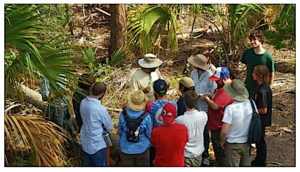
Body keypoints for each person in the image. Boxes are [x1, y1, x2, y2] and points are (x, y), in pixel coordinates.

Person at [188, 53, 217, 166]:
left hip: (205, 107)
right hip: (194, 105)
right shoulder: (193, 74)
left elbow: (214, 93)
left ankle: (205, 156)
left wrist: (205, 96)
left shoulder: (210, 76)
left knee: (204, 132)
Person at [220, 79, 256, 167]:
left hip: (233, 144)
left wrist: (222, 141)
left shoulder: (230, 108)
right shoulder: (252, 104)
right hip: (247, 142)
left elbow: (224, 131)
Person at [203, 67, 234, 167]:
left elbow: (216, 106)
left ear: (224, 79)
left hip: (219, 127)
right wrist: (212, 96)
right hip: (217, 125)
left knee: (221, 154)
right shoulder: (223, 88)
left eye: (217, 80)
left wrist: (207, 99)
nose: (215, 82)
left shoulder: (227, 90)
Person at [80, 82, 113, 167]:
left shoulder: (83, 102)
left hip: (85, 141)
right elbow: (109, 126)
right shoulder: (100, 109)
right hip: (98, 144)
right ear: (102, 94)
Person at [118, 90, 152, 167]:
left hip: (125, 149)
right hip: (142, 148)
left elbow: (120, 131)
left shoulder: (123, 115)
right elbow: (149, 133)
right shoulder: (146, 117)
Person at [175, 90, 207, 167]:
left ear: (184, 102)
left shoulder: (179, 120)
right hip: (198, 152)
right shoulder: (203, 115)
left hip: (186, 153)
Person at [241, 30, 275, 99]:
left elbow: (271, 73)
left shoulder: (268, 57)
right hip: (249, 87)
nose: (252, 42)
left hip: (261, 88)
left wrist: (269, 87)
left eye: (254, 40)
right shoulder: (247, 53)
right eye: (251, 40)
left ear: (260, 40)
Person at [251, 65, 273, 167]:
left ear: (259, 75)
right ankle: (259, 159)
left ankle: (261, 162)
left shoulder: (262, 90)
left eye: (254, 73)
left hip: (261, 120)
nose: (252, 74)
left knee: (260, 142)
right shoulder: (262, 87)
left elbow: (264, 109)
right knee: (259, 141)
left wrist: (252, 111)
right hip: (261, 120)